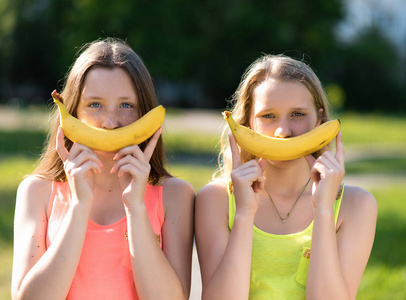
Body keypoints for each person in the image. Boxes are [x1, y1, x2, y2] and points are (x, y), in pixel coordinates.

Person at [12, 38, 195, 300]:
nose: (110, 123)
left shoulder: (175, 195)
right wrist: (78, 206)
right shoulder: (37, 191)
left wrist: (136, 208)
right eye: (94, 104)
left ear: (145, 113)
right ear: (72, 112)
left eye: (126, 105)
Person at [195, 54, 378, 299]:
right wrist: (243, 214)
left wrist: (323, 210)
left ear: (319, 121)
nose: (283, 131)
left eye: (298, 114)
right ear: (248, 124)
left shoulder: (356, 205)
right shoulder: (216, 200)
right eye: (268, 116)